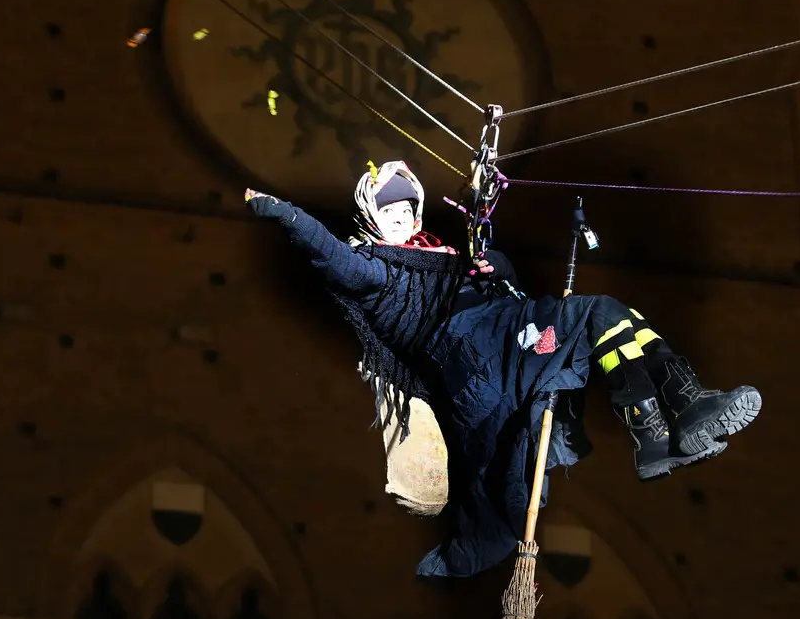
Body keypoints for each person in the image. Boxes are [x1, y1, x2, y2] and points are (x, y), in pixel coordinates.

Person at [247, 160, 760, 577]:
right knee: (595, 316)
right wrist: (285, 214)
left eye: (406, 208)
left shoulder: (441, 254)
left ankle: (667, 420)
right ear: (371, 216)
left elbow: (494, 285)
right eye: (390, 210)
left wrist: (496, 265)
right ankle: (660, 426)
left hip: (502, 330)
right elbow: (331, 256)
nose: (401, 217)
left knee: (611, 316)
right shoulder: (375, 270)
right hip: (476, 356)